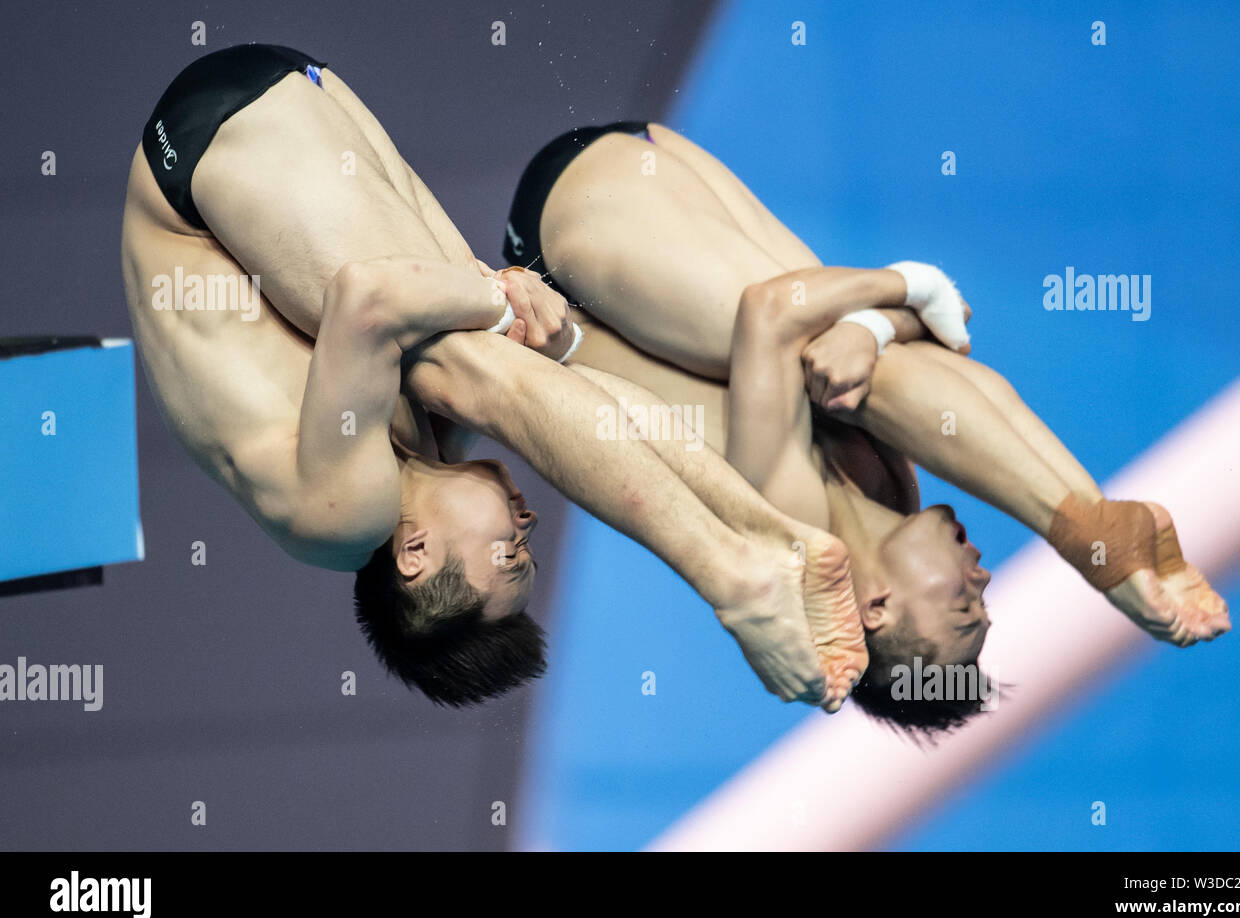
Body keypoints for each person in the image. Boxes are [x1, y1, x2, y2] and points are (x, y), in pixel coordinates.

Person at [123, 45, 866, 711]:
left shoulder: (343, 519)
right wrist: (525, 312)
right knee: (486, 365)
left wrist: (495, 295)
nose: (528, 524)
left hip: (197, 165)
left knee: (469, 362)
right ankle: (777, 535)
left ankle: (732, 575)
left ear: (414, 555)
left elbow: (365, 301)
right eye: (529, 550)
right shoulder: (426, 446)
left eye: (507, 553)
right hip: (282, 103)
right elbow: (583, 399)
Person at [502, 121, 1231, 734]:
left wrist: (900, 291)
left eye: (963, 601)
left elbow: (772, 312)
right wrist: (878, 325)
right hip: (658, 169)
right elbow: (943, 337)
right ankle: (1096, 520)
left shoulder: (787, 526)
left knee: (834, 350)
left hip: (566, 242)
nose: (982, 573)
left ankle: (1093, 539)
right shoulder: (889, 487)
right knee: (870, 365)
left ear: (874, 606)